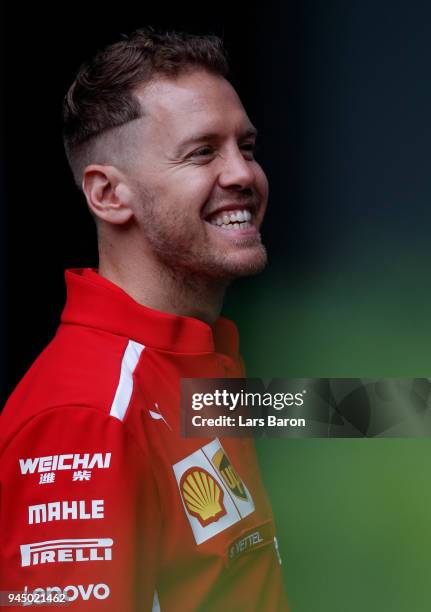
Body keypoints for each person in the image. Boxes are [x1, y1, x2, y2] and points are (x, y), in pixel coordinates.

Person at [0, 28, 288, 611]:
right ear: (108, 194)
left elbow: (318, 411)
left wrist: (410, 406)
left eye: (247, 147)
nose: (243, 175)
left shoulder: (186, 356)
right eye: (203, 152)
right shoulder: (87, 414)